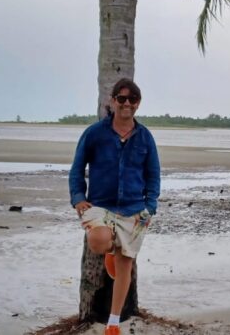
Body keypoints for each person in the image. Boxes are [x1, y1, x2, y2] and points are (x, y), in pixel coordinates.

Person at [70, 78, 160, 335]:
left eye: (132, 100)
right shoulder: (94, 133)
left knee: (126, 266)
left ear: (138, 104)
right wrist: (78, 197)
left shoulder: (145, 137)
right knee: (98, 240)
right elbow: (77, 168)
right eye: (121, 99)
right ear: (112, 101)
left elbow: (153, 175)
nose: (126, 104)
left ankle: (112, 322)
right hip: (100, 205)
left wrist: (150, 207)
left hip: (135, 209)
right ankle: (111, 250)